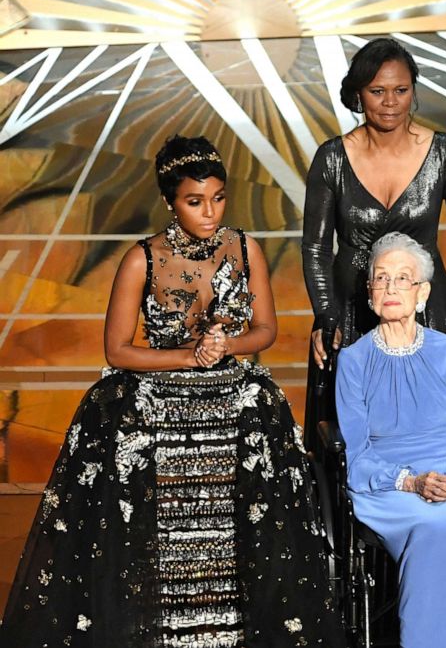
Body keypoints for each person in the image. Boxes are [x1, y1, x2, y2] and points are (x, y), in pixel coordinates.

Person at [0, 136, 344, 648]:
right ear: (169, 201)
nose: (210, 212)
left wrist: (227, 346)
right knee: (120, 425)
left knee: (261, 407)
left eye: (219, 198)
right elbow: (117, 350)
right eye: (195, 201)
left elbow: (266, 331)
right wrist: (187, 356)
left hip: (231, 388)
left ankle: (235, 625)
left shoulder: (245, 248)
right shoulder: (141, 260)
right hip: (159, 389)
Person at [334, 232, 446, 648]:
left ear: (423, 293)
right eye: (381, 279)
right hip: (389, 484)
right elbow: (358, 455)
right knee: (436, 521)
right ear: (369, 293)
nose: (391, 288)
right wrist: (412, 482)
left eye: (403, 279)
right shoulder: (353, 361)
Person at [302, 37, 446, 370]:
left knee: (437, 412)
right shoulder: (332, 158)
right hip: (349, 314)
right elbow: (316, 249)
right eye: (377, 91)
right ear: (358, 94)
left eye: (401, 90)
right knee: (354, 416)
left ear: (413, 91)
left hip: (428, 306)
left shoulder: (444, 152)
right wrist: (326, 316)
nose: (390, 103)